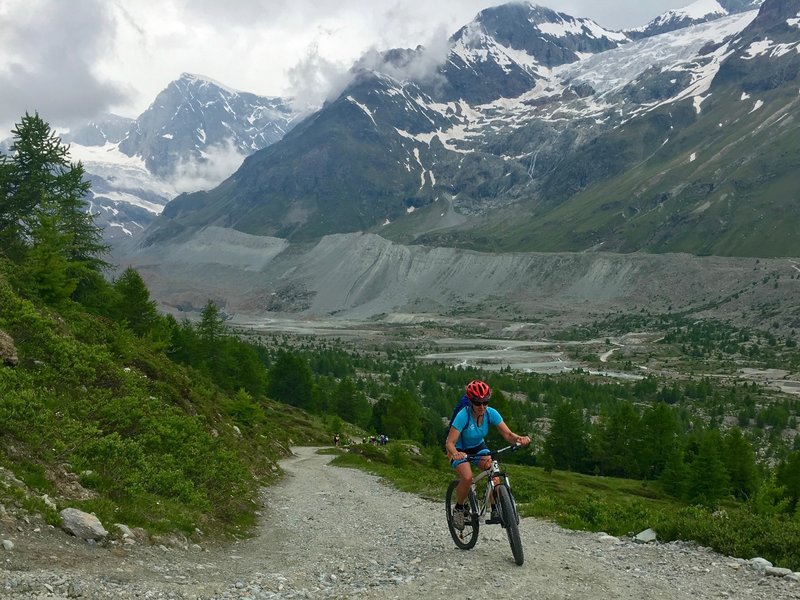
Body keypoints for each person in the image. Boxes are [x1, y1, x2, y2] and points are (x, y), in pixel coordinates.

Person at [444, 379, 531, 530]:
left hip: (478, 447)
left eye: (485, 402)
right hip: (458, 449)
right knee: (467, 477)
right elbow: (449, 442)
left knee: (493, 471)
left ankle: (496, 508)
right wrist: (456, 454)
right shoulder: (463, 416)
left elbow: (508, 435)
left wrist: (519, 439)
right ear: (471, 402)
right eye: (478, 403)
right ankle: (459, 508)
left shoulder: (491, 413)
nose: (482, 407)